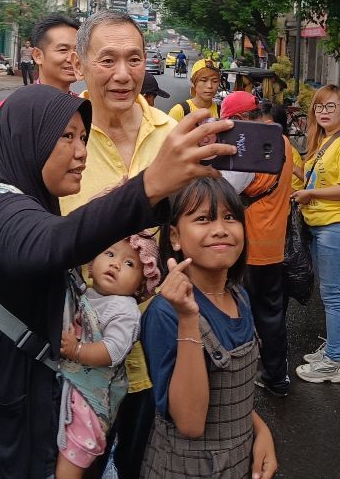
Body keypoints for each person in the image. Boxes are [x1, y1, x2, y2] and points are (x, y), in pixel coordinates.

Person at [0, 85, 236, 477]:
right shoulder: (0, 211)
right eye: (67, 136)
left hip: (13, 429)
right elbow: (57, 242)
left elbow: (86, 228)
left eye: (84, 137)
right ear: (28, 139)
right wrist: (150, 182)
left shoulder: (30, 206)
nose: (81, 151)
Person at [62, 10, 179, 477]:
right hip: (76, 352)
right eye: (107, 59)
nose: (122, 74)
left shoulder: (172, 136)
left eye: (134, 59)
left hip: (156, 346)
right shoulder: (61, 138)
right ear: (80, 64)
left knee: (140, 463)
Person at [140, 177, 278, 478]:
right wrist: (188, 318)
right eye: (203, 218)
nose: (220, 229)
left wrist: (261, 430)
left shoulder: (238, 294)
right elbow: (189, 422)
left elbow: (228, 395)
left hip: (238, 462)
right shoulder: (166, 313)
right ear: (175, 236)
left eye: (230, 217)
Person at [56, 234, 161, 479]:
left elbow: (114, 349)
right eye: (110, 254)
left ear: (140, 286)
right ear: (91, 266)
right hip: (74, 389)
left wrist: (77, 350)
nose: (115, 264)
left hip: (91, 403)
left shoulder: (124, 309)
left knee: (71, 457)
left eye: (129, 264)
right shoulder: (86, 293)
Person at [219, 91, 300, 396]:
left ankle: (235, 378)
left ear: (239, 119)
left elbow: (226, 189)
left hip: (248, 246)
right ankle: (278, 378)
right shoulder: (282, 141)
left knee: (237, 311)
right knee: (272, 314)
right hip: (273, 244)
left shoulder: (249, 144)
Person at [292, 84, 340, 382]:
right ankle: (339, 349)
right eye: (319, 107)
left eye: (331, 107)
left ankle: (332, 363)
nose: (324, 112)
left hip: (336, 228)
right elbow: (315, 179)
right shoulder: (325, 140)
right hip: (322, 225)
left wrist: (310, 194)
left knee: (334, 295)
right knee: (331, 294)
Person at [0, 14, 80, 166]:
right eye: (63, 50)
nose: (72, 58)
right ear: (37, 55)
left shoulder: (84, 110)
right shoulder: (6, 114)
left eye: (78, 50)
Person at [168, 58, 221, 122]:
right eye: (204, 80)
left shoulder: (222, 111)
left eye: (215, 81)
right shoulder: (179, 111)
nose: (209, 86)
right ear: (193, 82)